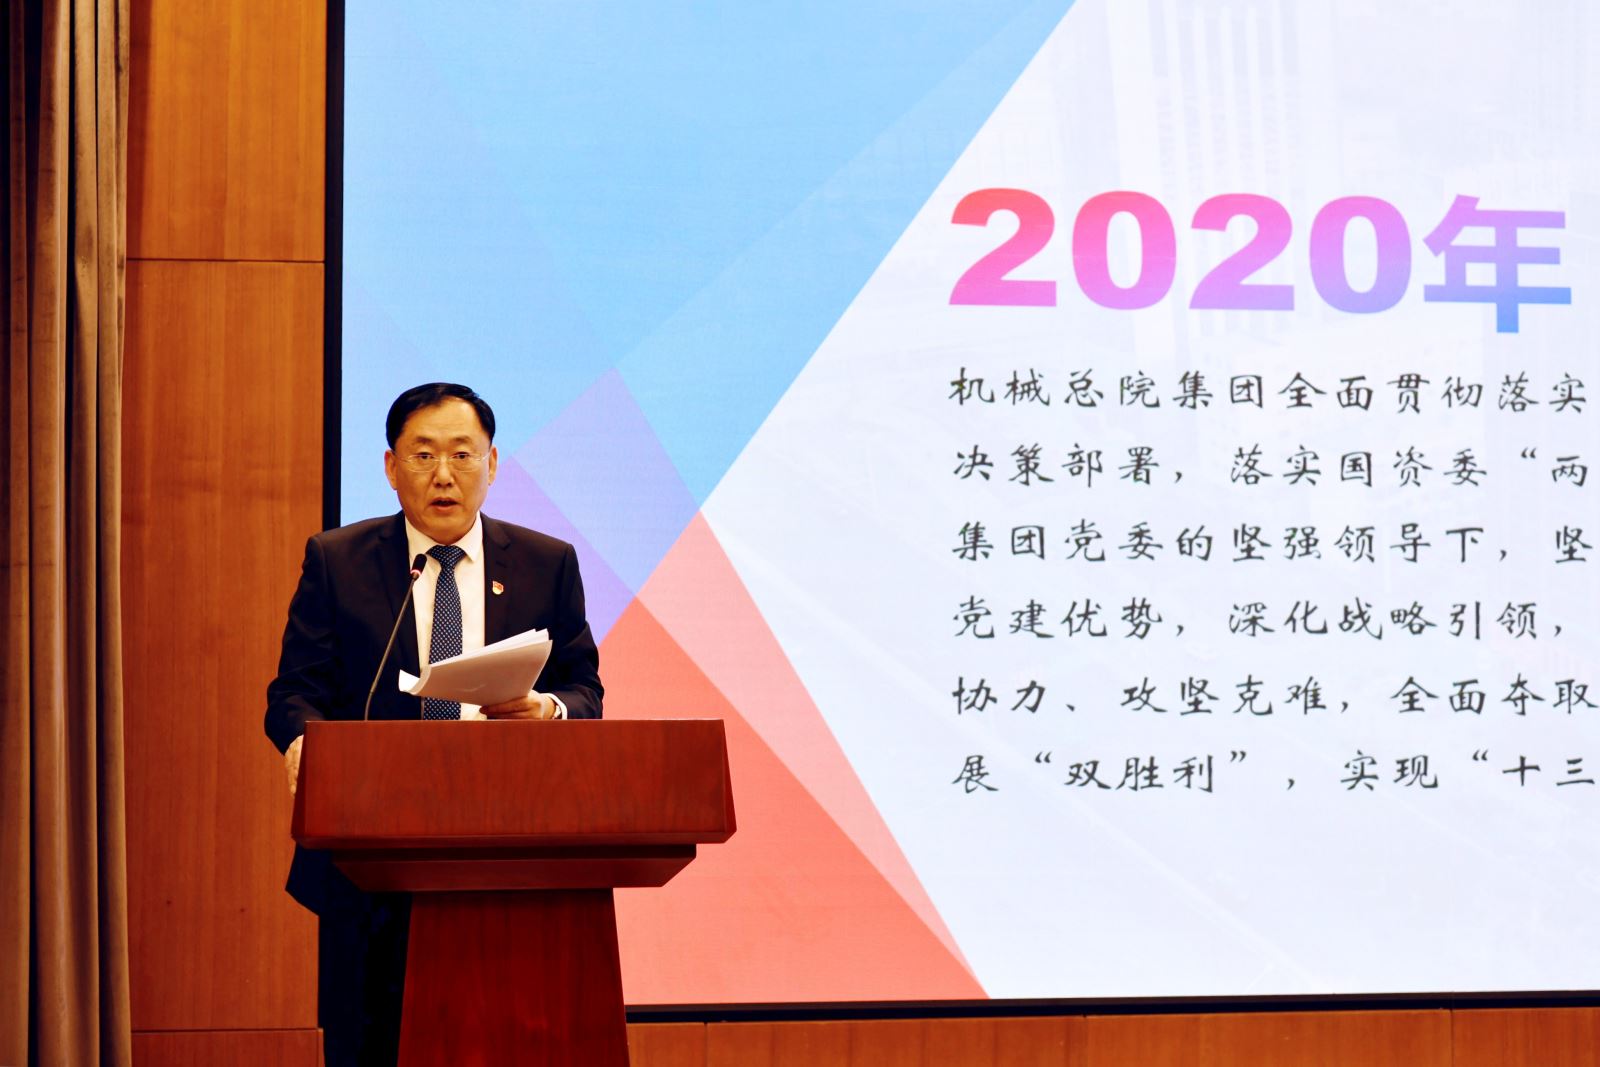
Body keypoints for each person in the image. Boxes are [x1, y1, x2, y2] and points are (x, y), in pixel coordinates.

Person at [264, 382, 603, 1066]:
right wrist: (304, 742)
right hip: (370, 852)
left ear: (492, 463)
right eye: (423, 455)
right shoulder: (337, 560)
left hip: (507, 851)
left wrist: (547, 709)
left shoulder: (547, 563)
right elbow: (294, 692)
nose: (443, 474)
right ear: (392, 467)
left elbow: (584, 690)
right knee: (370, 1047)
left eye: (461, 453)